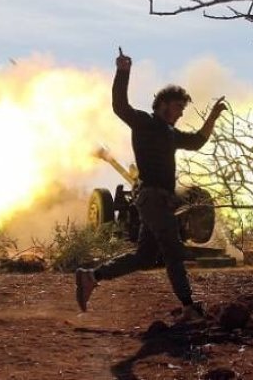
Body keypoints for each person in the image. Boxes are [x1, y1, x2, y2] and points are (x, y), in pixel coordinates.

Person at [75, 48, 227, 318]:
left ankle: (91, 276)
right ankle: (188, 306)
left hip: (158, 201)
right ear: (164, 103)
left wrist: (213, 118)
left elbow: (196, 142)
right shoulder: (144, 122)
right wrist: (123, 72)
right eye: (179, 107)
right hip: (152, 198)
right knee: (173, 250)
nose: (180, 113)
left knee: (145, 257)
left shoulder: (170, 133)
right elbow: (120, 106)